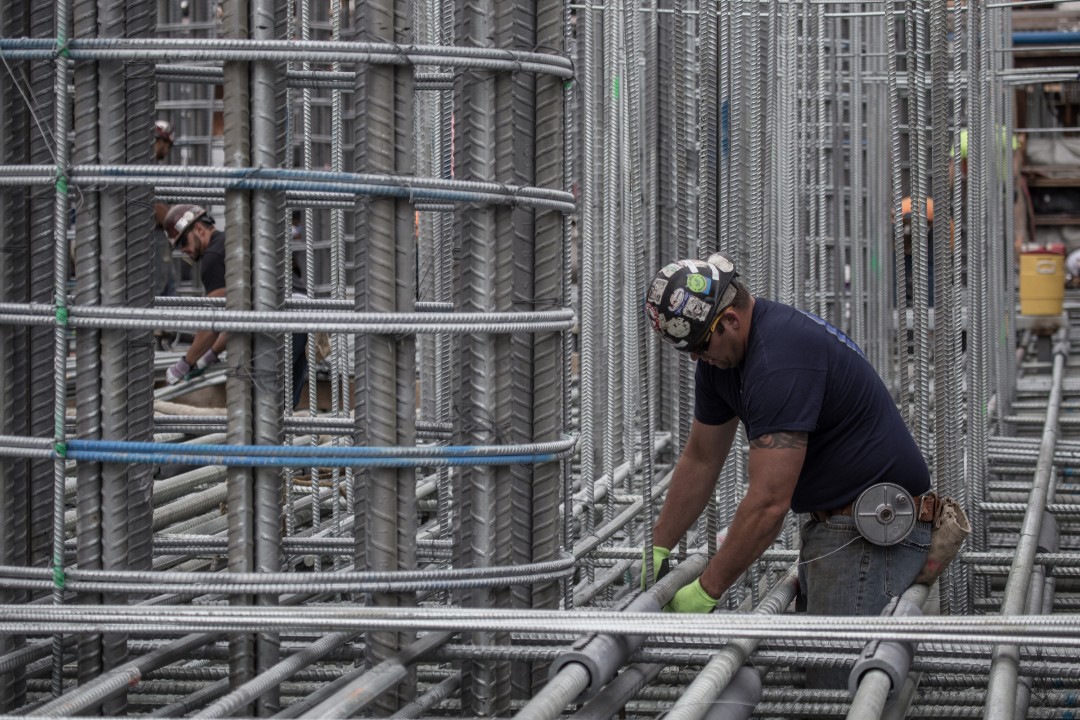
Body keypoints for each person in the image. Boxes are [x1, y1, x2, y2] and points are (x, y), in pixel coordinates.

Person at [641, 253, 933, 688]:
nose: (697, 359)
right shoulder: (721, 362)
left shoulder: (779, 358)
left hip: (871, 531)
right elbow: (701, 459)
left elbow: (768, 504)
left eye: (701, 346)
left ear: (731, 320)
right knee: (825, 681)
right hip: (836, 528)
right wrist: (658, 548)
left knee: (842, 691)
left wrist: (706, 590)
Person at [162, 204, 309, 407]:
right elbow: (235, 320)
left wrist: (185, 363)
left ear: (198, 229)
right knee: (282, 408)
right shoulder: (230, 245)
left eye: (183, 242)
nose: (183, 251)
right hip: (300, 317)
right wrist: (209, 355)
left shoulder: (213, 257)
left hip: (278, 322)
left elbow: (213, 323)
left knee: (261, 407)